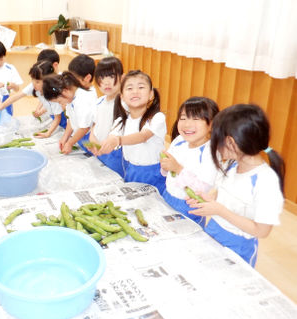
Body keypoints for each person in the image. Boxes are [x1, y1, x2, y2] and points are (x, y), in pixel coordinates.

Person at [188, 104, 285, 267]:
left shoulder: (265, 180)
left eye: (216, 139)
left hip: (237, 246)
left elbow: (261, 230)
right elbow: (222, 192)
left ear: (231, 142)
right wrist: (208, 198)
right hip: (214, 230)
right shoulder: (232, 164)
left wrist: (219, 210)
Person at [98, 70, 166, 194]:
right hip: (131, 169)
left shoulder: (157, 118)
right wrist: (108, 143)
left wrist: (118, 140)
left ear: (151, 94)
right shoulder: (121, 121)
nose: (135, 91)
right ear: (122, 96)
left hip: (153, 173)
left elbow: (143, 136)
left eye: (141, 87)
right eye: (129, 88)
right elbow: (113, 136)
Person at [160, 97, 219, 226]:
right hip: (167, 195)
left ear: (212, 124)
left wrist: (178, 169)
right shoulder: (179, 140)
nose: (187, 124)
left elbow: (202, 190)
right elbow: (167, 172)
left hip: (188, 206)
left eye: (196, 119)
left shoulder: (211, 152)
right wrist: (165, 166)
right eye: (183, 118)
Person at [0, 60, 64, 138]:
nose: (33, 83)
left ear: (48, 82)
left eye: (37, 81)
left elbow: (58, 118)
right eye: (32, 79)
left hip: (64, 118)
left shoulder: (54, 96)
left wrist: (48, 133)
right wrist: (1, 106)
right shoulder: (34, 86)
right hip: (54, 116)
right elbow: (17, 96)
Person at [86, 57, 124, 176]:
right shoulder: (99, 102)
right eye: (102, 78)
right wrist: (93, 141)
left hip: (116, 155)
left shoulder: (124, 104)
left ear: (122, 78)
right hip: (99, 152)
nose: (106, 82)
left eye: (112, 77)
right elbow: (95, 125)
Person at [43, 72, 97, 154]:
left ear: (65, 91)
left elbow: (84, 127)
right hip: (82, 136)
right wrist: (65, 137)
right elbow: (71, 119)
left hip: (93, 137)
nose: (60, 104)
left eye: (59, 101)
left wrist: (70, 143)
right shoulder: (70, 98)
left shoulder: (82, 100)